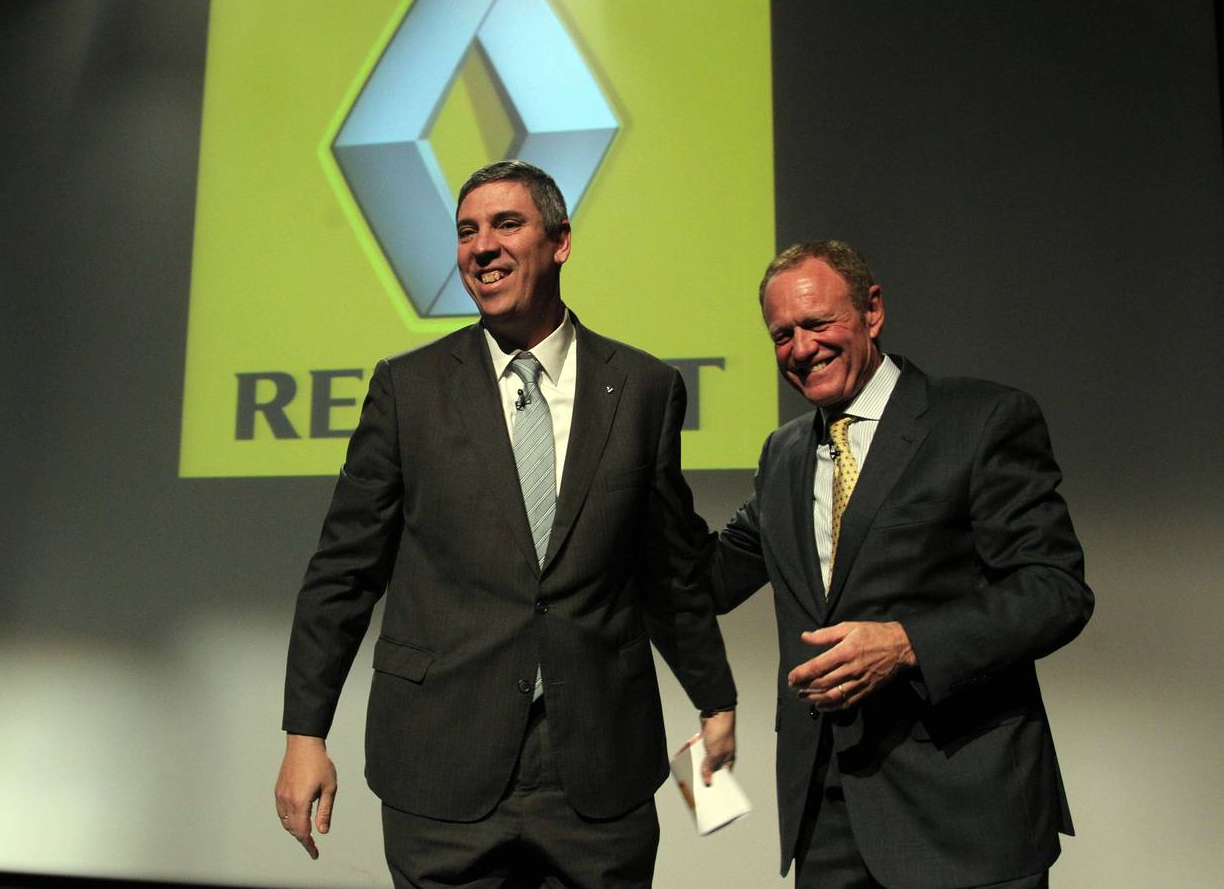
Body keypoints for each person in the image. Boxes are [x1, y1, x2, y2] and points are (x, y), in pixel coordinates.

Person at [274, 160, 736, 887]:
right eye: (466, 231)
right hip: (441, 764)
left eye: (505, 224)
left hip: (598, 770)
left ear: (561, 242)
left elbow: (669, 570)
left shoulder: (645, 388)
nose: (481, 246)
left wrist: (716, 698)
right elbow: (345, 570)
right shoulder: (409, 388)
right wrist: (306, 733)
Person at [713, 240, 1093, 888]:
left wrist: (906, 644)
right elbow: (709, 577)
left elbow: (1053, 591)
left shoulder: (979, 420)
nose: (801, 348)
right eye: (782, 335)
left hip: (965, 809)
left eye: (818, 323)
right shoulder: (783, 455)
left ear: (873, 311)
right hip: (829, 813)